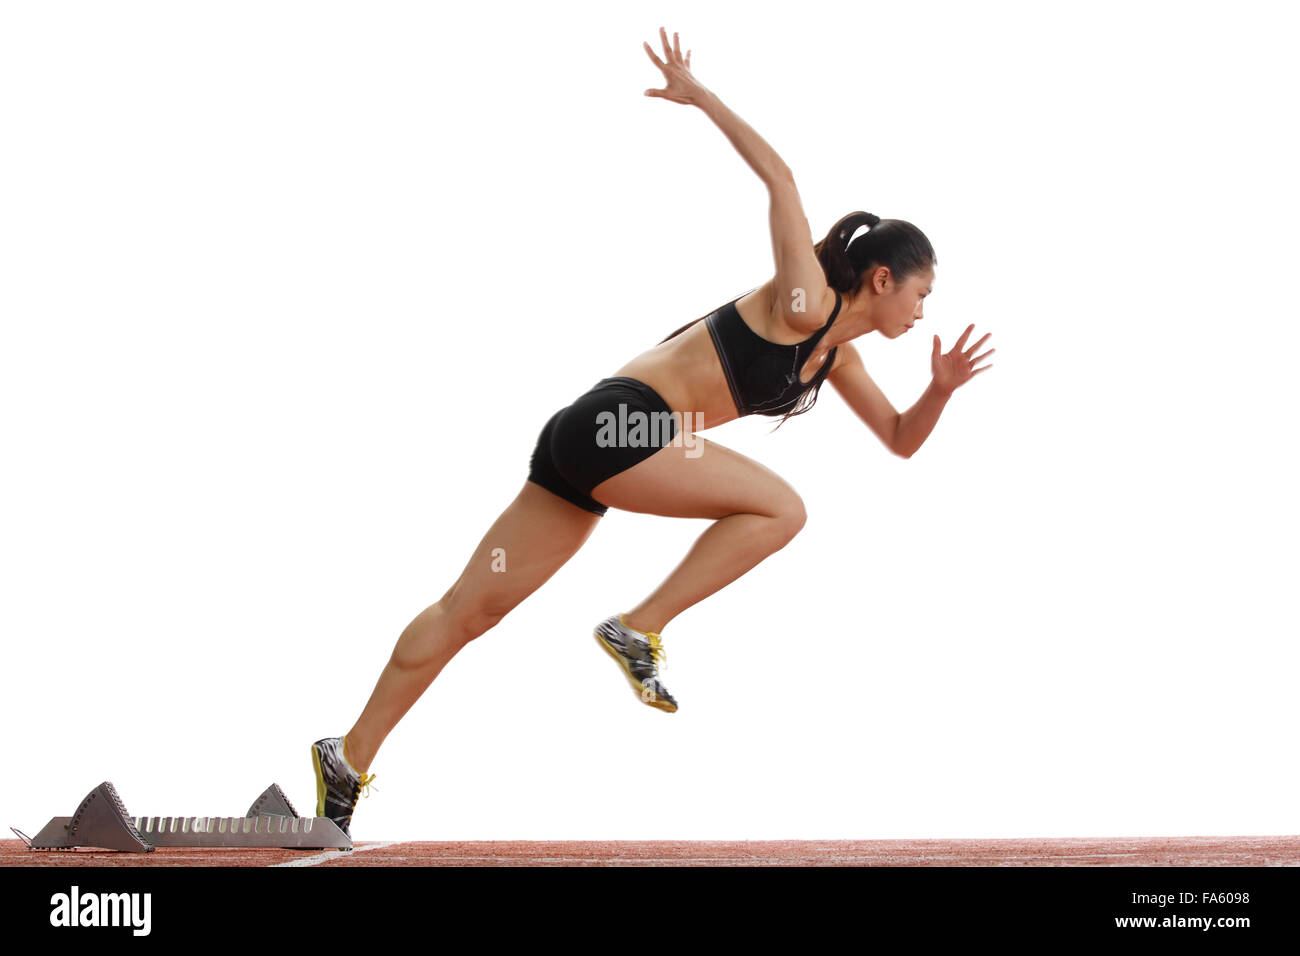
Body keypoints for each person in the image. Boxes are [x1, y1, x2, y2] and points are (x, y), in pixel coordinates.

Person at [311, 27, 994, 837]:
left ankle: (346, 758)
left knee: (471, 607)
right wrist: (701, 96)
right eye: (920, 295)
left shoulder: (835, 360)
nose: (922, 314)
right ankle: (638, 627)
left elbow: (900, 438)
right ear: (881, 280)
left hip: (586, 449)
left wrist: (940, 391)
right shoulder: (805, 303)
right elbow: (780, 177)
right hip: (619, 425)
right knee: (782, 509)